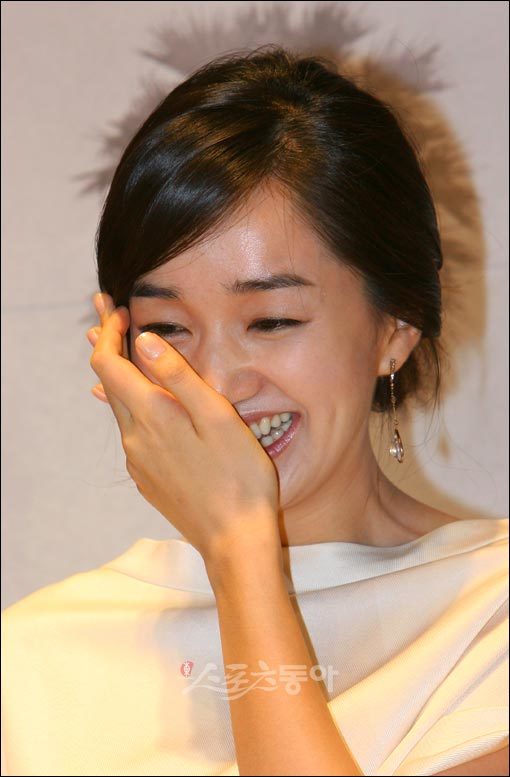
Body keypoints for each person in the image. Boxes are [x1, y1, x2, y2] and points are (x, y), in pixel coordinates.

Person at [2, 46, 508, 776]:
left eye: (271, 321)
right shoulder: (35, 663)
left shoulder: (490, 614)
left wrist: (240, 554)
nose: (214, 384)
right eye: (167, 328)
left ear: (395, 327)